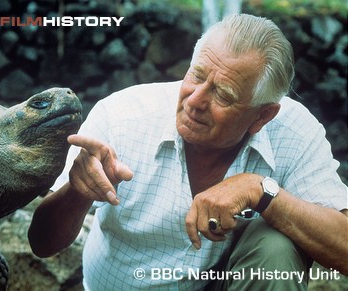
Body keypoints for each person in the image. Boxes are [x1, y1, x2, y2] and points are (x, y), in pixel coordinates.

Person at [28, 14, 348, 290]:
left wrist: (261, 191)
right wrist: (78, 191)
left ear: (262, 115)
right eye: (196, 75)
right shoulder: (121, 117)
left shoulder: (294, 132)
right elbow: (42, 243)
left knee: (276, 246)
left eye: (223, 94)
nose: (194, 100)